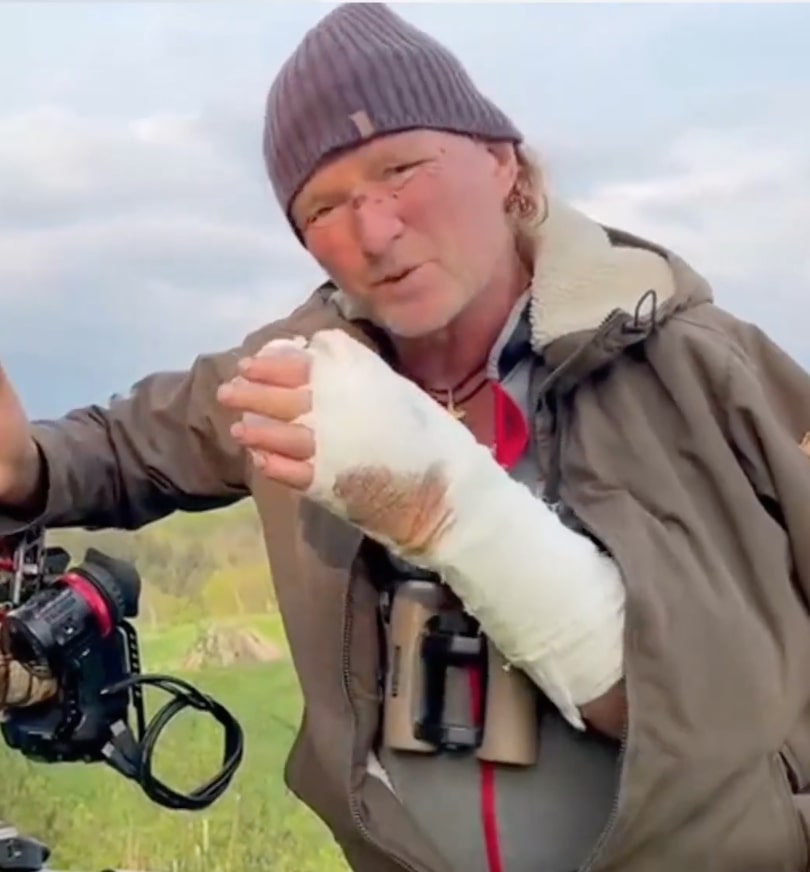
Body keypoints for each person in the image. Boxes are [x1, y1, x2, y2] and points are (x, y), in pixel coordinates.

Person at [1, 3, 810, 871]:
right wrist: (24, 465)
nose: (373, 232)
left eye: (401, 169)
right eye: (322, 207)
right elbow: (124, 448)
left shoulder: (703, 371)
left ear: (501, 161)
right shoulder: (301, 379)